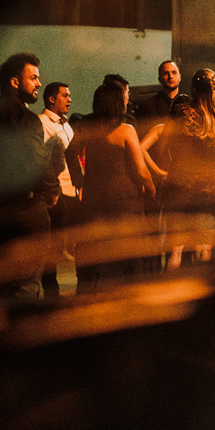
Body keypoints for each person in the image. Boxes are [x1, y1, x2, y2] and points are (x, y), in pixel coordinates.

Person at [0, 53, 60, 302]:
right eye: (33, 78)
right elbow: (38, 162)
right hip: (27, 211)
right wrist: (52, 190)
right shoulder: (26, 119)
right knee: (26, 283)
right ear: (14, 82)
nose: (39, 84)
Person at [66, 83, 156, 292]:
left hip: (94, 201)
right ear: (118, 104)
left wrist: (79, 181)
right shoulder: (126, 130)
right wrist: (151, 187)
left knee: (100, 259)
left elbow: (70, 152)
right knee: (129, 259)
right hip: (125, 202)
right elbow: (141, 170)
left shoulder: (87, 127)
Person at [146, 68, 215, 267]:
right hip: (207, 190)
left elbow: (162, 148)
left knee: (176, 249)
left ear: (193, 89)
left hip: (179, 186)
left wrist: (171, 169)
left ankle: (172, 286)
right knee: (204, 248)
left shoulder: (180, 112)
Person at [39, 81, 77, 298]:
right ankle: (52, 294)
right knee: (52, 249)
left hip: (71, 192)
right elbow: (43, 161)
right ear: (52, 99)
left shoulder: (66, 125)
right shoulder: (42, 123)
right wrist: (52, 190)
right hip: (57, 194)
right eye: (65, 95)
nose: (69, 100)